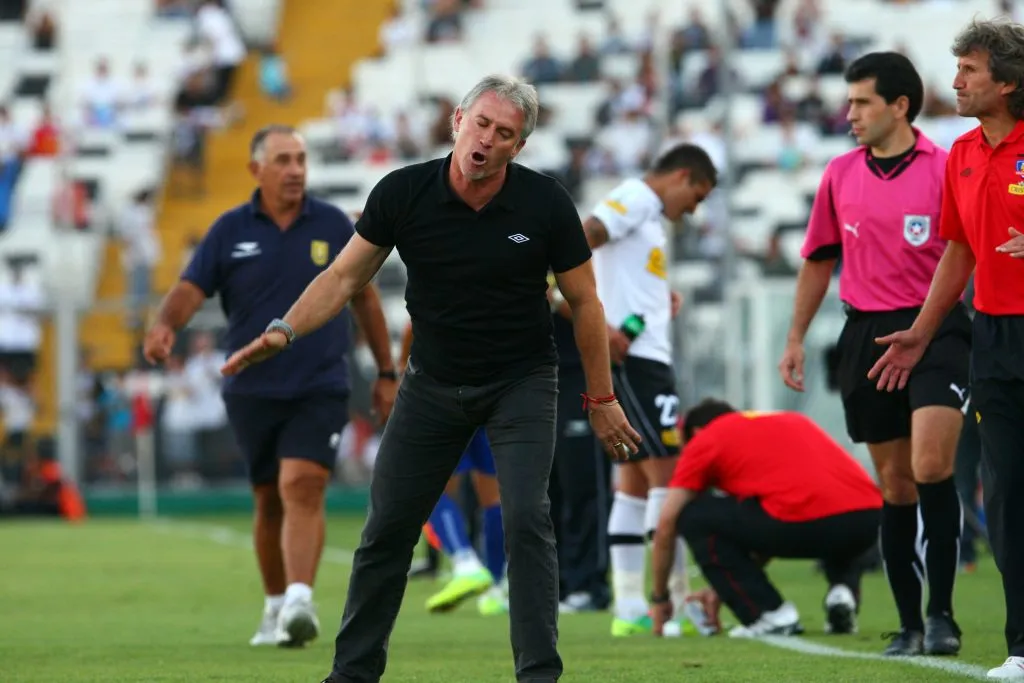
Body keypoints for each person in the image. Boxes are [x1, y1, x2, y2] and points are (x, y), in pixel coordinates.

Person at [220, 74, 641, 683]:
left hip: (521, 380)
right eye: (482, 125)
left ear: (517, 147)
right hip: (433, 383)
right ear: (458, 122)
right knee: (386, 529)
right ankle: (352, 674)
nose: (488, 141)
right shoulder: (402, 192)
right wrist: (284, 330)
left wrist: (600, 399)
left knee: (527, 519)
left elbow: (587, 303)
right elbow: (343, 279)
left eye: (505, 134)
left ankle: (539, 675)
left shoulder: (546, 203)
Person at [142, 125, 399, 648]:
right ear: (257, 169)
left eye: (301, 159)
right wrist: (166, 323)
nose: (295, 169)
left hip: (320, 383)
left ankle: (301, 600)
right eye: (283, 159)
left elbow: (365, 301)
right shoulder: (229, 229)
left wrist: (387, 373)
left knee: (302, 485)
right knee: (268, 499)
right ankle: (276, 604)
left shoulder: (334, 223)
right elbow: (192, 288)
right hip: (251, 387)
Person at [778, 52, 969, 656]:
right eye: (850, 101)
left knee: (932, 465)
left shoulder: (945, 169)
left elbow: (966, 253)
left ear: (900, 106)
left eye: (862, 102)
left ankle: (943, 616)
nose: (850, 113)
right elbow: (818, 261)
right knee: (894, 484)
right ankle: (910, 624)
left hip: (936, 330)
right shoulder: (838, 174)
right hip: (865, 335)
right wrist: (794, 340)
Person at [867, 19, 1024, 680]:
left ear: (1008, 82)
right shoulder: (960, 153)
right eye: (956, 68)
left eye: (968, 71)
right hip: (991, 337)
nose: (954, 81)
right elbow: (958, 250)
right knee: (1008, 493)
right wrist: (923, 331)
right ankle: (1022, 648)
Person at [580, 143, 717, 636]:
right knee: (671, 478)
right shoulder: (636, 196)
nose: (694, 209)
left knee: (634, 482)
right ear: (681, 176)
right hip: (638, 362)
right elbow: (580, 240)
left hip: (644, 355)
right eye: (697, 196)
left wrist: (659, 299)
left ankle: (630, 608)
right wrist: (582, 309)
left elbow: (622, 270)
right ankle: (671, 604)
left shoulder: (648, 216)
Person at [649, 399, 883, 638]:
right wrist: (722, 588)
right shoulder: (792, 420)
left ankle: (768, 613)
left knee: (694, 515)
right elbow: (773, 517)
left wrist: (660, 598)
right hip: (869, 518)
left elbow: (667, 522)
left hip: (804, 520)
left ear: (695, 432)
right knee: (837, 507)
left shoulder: (706, 438)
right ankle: (842, 592)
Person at [397, 323, 508, 616]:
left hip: (444, 392)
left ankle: (465, 562)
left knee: (432, 490)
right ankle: (496, 589)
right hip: (493, 391)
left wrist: (399, 370)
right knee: (493, 496)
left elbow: (415, 323)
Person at [546, 275, 612, 613]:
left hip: (578, 378)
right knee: (545, 489)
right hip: (535, 378)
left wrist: (555, 299)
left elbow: (597, 307)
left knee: (583, 485)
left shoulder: (573, 254)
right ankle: (555, 586)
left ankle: (591, 583)